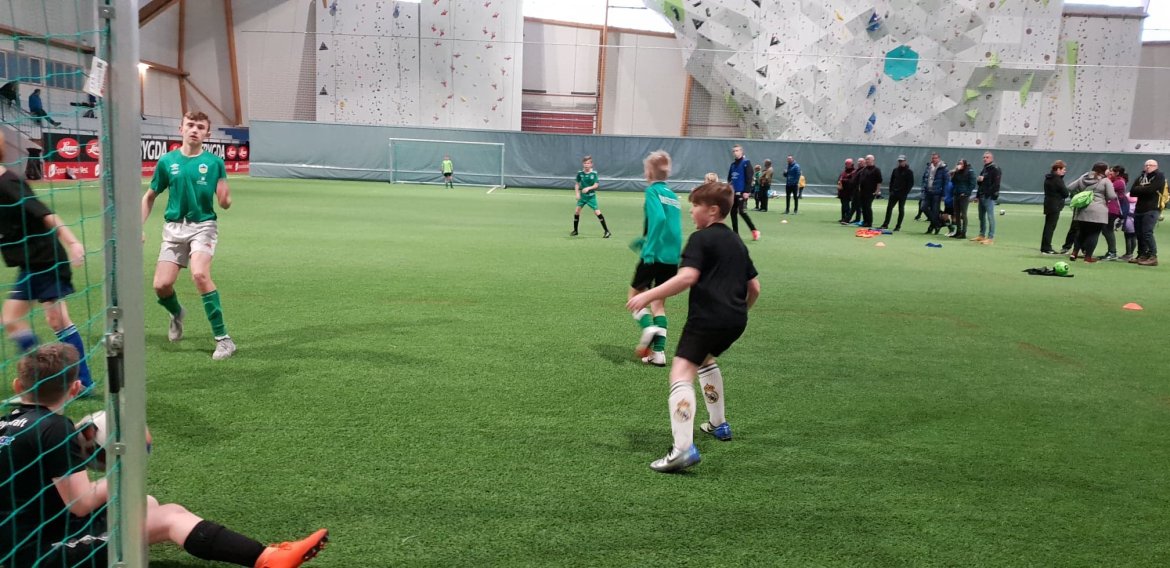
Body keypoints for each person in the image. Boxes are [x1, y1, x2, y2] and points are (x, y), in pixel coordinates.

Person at [0, 343, 329, 568]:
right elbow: (81, 504)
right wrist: (124, 468)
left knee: (145, 503)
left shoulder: (7, 423)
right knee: (169, 516)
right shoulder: (54, 427)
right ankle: (267, 558)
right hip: (35, 554)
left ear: (17, 386)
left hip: (20, 533)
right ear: (74, 389)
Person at [626, 181, 760, 474]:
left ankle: (682, 450)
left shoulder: (701, 239)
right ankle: (718, 424)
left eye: (696, 205)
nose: (691, 211)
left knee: (681, 373)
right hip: (736, 320)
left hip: (707, 318)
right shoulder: (737, 241)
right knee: (706, 360)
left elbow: (686, 277)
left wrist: (647, 295)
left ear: (712, 211)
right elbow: (755, 288)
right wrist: (739, 312)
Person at [141, 111, 236, 360]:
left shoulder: (214, 163)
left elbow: (224, 199)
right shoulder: (167, 161)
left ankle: (224, 339)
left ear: (207, 133)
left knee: (199, 274)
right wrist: (137, 226)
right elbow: (149, 196)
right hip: (173, 229)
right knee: (161, 285)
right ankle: (176, 313)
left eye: (200, 127)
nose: (195, 129)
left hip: (203, 225)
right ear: (181, 128)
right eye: (190, 125)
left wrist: (225, 200)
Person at [0, 132, 92, 391]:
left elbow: (45, 214)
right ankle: (49, 377)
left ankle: (79, 381)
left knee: (55, 320)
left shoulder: (7, 183)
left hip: (46, 258)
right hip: (30, 262)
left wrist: (73, 242)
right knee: (13, 320)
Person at [629, 151, 682, 367]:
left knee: (634, 296)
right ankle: (658, 353)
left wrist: (648, 248)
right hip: (671, 257)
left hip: (654, 255)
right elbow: (674, 228)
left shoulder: (653, 191)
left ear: (649, 173)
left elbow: (658, 218)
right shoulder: (673, 196)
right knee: (658, 302)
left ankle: (648, 327)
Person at [1066, 162, 1116, 263]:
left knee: (1081, 232)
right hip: (1098, 211)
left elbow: (1070, 187)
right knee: (1094, 233)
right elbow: (1112, 196)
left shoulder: (1083, 178)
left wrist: (1080, 195)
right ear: (1103, 170)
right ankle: (1088, 257)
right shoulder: (1105, 181)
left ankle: (1074, 253)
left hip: (1082, 209)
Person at [1129, 159, 1164, 266]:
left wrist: (1140, 188)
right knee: (1139, 233)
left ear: (1156, 166)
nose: (1148, 167)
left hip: (1152, 209)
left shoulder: (1159, 176)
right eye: (1146, 165)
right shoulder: (1141, 177)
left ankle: (1153, 256)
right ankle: (1142, 255)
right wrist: (1144, 188)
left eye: (1151, 165)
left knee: (1147, 233)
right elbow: (1132, 192)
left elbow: (1151, 190)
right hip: (1139, 209)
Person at [570, 155, 610, 238]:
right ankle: (575, 231)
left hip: (591, 197)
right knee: (577, 211)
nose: (586, 165)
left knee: (597, 212)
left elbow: (596, 185)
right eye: (585, 163)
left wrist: (588, 188)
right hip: (582, 197)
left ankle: (607, 231)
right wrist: (577, 193)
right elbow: (577, 184)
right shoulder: (580, 173)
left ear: (591, 164)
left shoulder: (594, 174)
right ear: (583, 164)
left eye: (588, 163)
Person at [726, 145, 759, 241]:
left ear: (741, 152)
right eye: (734, 151)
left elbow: (749, 177)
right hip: (733, 193)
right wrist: (730, 185)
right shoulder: (733, 165)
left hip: (742, 192)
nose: (735, 152)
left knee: (742, 212)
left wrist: (747, 191)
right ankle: (735, 234)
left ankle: (754, 230)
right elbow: (729, 178)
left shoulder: (746, 163)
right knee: (733, 212)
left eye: (737, 150)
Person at [1040, 160, 1069, 254]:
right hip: (1055, 205)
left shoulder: (1048, 178)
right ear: (1058, 169)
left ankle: (1045, 246)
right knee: (1050, 227)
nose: (1065, 171)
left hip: (1048, 204)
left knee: (1048, 226)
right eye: (1063, 169)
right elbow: (1065, 193)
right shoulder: (1057, 180)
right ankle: (1047, 247)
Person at [1099, 166, 1127, 261]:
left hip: (1113, 209)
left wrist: (1106, 177)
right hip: (1110, 209)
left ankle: (1112, 252)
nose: (1110, 173)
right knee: (1106, 230)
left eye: (1111, 171)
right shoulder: (1116, 181)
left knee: (1107, 230)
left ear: (1117, 173)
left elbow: (1104, 188)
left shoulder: (1119, 182)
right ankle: (1111, 252)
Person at [973, 151, 1001, 245]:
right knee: (981, 216)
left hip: (988, 197)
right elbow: (980, 184)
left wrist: (990, 194)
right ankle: (981, 235)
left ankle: (990, 238)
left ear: (992, 158)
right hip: (981, 195)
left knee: (990, 217)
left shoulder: (995, 169)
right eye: (984, 157)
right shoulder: (984, 169)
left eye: (987, 157)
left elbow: (996, 184)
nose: (985, 159)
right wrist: (977, 195)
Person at [882, 155, 914, 231]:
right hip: (894, 193)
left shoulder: (909, 172)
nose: (900, 162)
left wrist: (905, 192)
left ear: (905, 161)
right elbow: (892, 181)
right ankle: (885, 224)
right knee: (889, 208)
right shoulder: (895, 170)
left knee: (901, 209)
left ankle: (898, 226)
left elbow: (910, 183)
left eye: (902, 161)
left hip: (902, 194)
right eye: (899, 161)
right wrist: (891, 190)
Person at [920, 153, 947, 234]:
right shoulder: (928, 167)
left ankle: (932, 227)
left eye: (935, 158)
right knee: (923, 207)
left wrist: (943, 194)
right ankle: (938, 224)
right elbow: (924, 178)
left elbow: (946, 181)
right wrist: (923, 188)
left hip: (937, 193)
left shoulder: (943, 168)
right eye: (932, 158)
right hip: (927, 191)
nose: (934, 160)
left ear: (939, 159)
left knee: (935, 211)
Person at [950, 159, 976, 239]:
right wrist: (954, 173)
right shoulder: (957, 172)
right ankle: (958, 231)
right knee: (956, 214)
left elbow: (973, 184)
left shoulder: (970, 171)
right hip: (956, 194)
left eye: (961, 163)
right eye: (958, 163)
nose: (959, 164)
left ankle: (963, 232)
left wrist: (966, 193)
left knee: (963, 214)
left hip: (964, 195)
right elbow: (953, 182)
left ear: (964, 164)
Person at [855, 155, 882, 228]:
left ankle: (869, 222)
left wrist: (877, 191)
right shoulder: (864, 169)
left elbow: (879, 181)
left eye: (868, 159)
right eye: (866, 159)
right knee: (863, 207)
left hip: (871, 192)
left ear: (873, 160)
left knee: (867, 206)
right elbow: (860, 179)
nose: (866, 161)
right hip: (862, 192)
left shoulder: (876, 170)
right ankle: (865, 221)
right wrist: (859, 188)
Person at [837, 158, 856, 224]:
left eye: (848, 163)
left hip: (849, 191)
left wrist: (843, 181)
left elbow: (852, 181)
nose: (846, 164)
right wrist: (839, 183)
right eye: (846, 163)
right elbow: (840, 179)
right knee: (843, 205)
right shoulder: (844, 171)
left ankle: (848, 218)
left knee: (846, 205)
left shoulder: (854, 171)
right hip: (842, 191)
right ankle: (843, 217)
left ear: (852, 164)